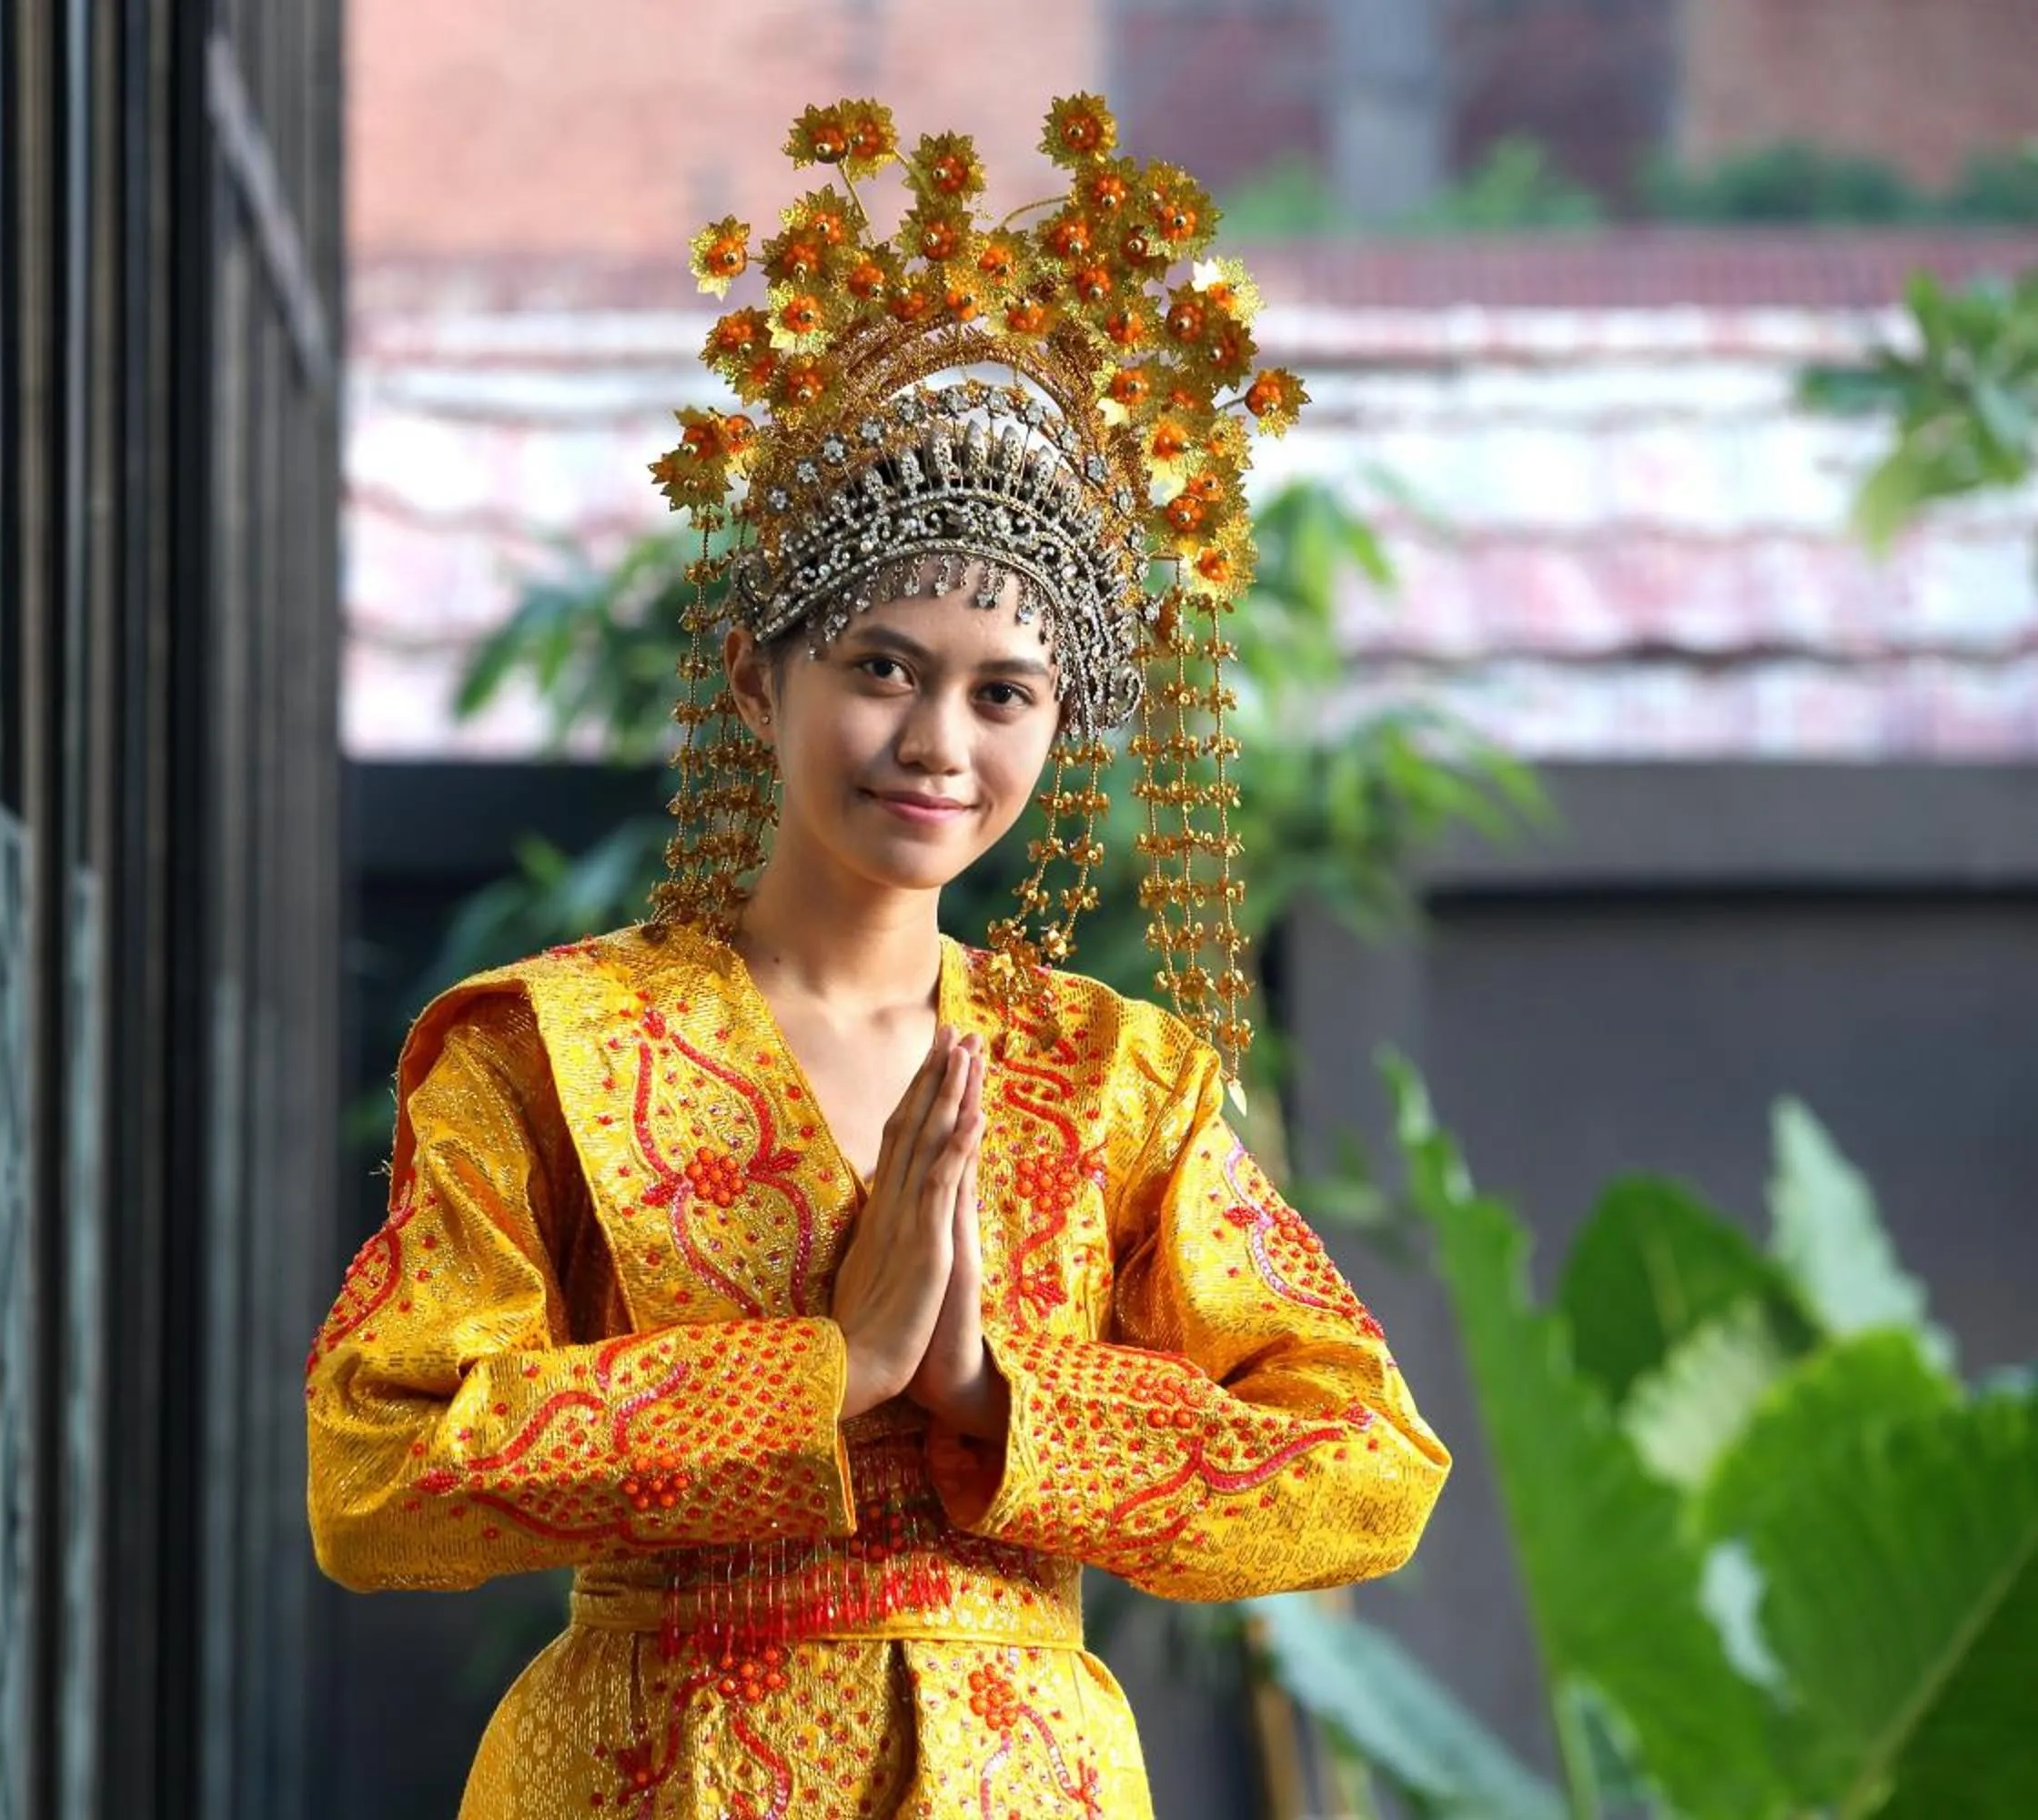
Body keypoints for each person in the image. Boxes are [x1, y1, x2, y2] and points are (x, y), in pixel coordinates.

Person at [308, 93, 1448, 1817]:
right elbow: (374, 1471)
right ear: (758, 680)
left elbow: (1365, 1466)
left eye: (1006, 693)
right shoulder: (550, 1049)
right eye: (883, 668)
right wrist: (819, 1376)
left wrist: (993, 1395)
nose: (937, 743)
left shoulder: (1113, 1080)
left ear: (1060, 729)